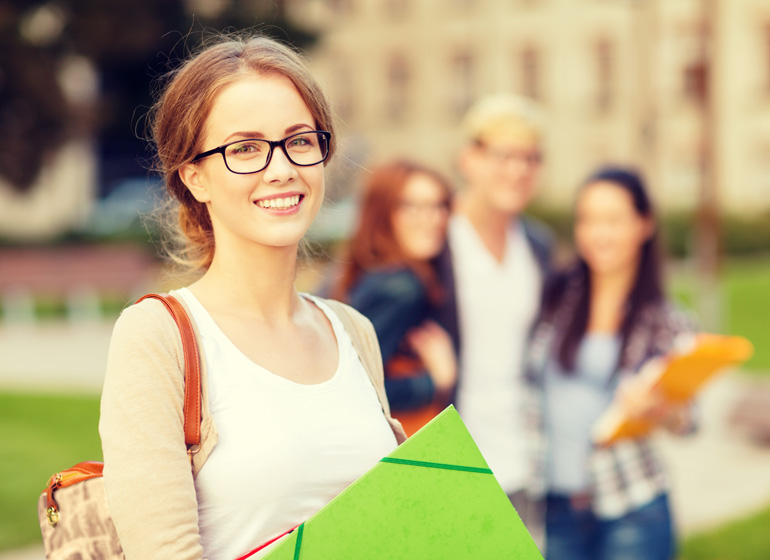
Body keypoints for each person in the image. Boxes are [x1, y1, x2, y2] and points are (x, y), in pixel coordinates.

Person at [98, 35, 406, 560]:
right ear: (195, 177)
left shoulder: (354, 330)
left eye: (300, 140)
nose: (281, 167)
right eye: (245, 148)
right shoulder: (157, 336)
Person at [524, 166, 696, 560]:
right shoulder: (556, 296)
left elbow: (690, 421)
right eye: (588, 220)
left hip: (632, 506)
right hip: (556, 506)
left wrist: (660, 411)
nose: (598, 234)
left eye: (613, 220)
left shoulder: (667, 320)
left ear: (644, 224)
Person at [432, 93, 554, 524]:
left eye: (531, 158)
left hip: (523, 460)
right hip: (454, 461)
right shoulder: (436, 240)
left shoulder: (538, 246)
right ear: (470, 159)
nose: (519, 170)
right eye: (504, 155)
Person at [335, 159, 457, 436]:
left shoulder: (370, 274)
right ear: (382, 212)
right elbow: (359, 387)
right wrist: (435, 380)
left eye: (439, 206)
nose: (433, 218)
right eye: (411, 206)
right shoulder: (401, 287)